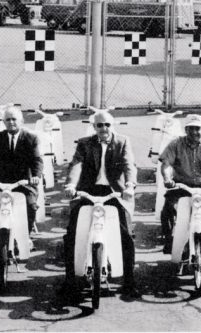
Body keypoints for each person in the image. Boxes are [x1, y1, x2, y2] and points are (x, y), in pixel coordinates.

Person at [58, 110, 140, 302]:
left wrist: (129, 186)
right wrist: (71, 185)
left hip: (115, 193)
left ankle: (129, 282)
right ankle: (70, 280)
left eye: (107, 125)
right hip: (88, 191)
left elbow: (129, 165)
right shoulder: (84, 143)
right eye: (99, 125)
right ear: (94, 127)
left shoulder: (123, 141)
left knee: (126, 234)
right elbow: (76, 165)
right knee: (72, 233)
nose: (104, 128)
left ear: (113, 126)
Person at [159, 114, 201, 254]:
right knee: (168, 209)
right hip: (181, 185)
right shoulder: (176, 143)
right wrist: (167, 179)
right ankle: (169, 240)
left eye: (198, 128)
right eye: (191, 128)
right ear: (186, 130)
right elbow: (166, 164)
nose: (195, 132)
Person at [0, 106, 43, 243]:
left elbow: (37, 160)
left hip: (24, 180)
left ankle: (26, 236)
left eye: (14, 119)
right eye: (8, 119)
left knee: (31, 205)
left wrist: (35, 176)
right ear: (3, 121)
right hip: (1, 180)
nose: (11, 122)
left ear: (22, 121)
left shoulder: (31, 138)